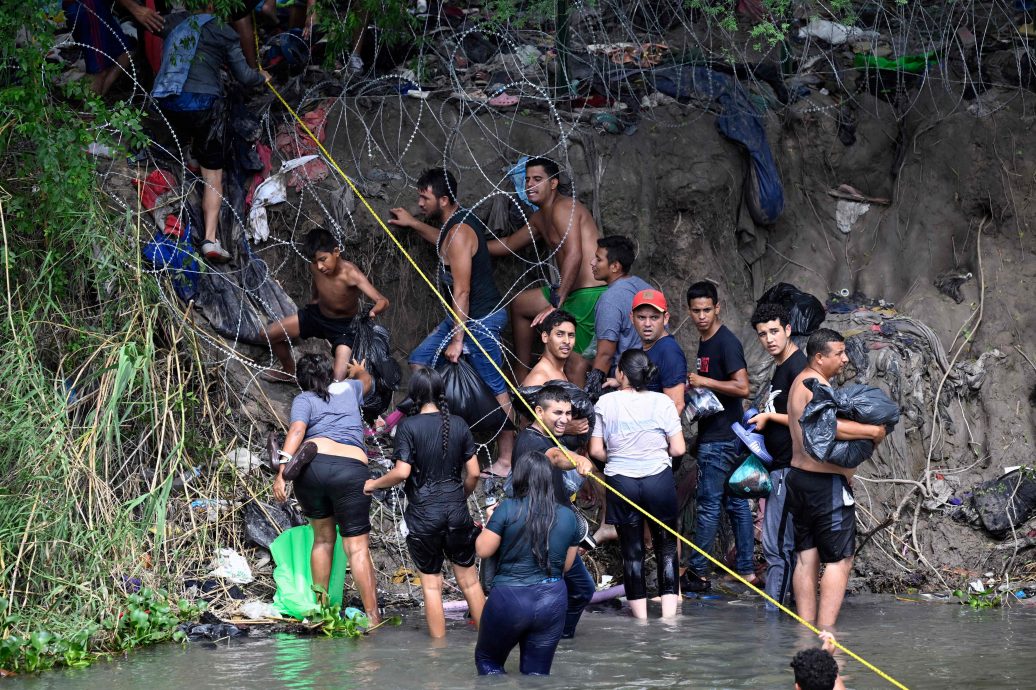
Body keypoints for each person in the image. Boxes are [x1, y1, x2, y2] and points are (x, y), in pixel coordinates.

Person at [390, 168, 515, 478]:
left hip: (480, 320)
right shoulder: (452, 227)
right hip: (462, 316)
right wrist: (414, 223)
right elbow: (442, 241)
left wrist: (458, 340)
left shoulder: (459, 233)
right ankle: (438, 426)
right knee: (420, 360)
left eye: (425, 198)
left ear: (443, 200)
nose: (420, 202)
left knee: (497, 388)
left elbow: (462, 290)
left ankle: (508, 459)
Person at [361, 367, 485, 638]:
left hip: (423, 515)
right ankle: (490, 644)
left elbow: (402, 473)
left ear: (413, 395)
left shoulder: (408, 426)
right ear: (442, 393)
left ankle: (437, 655)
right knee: (471, 582)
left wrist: (372, 483)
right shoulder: (459, 424)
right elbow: (474, 473)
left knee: (431, 586)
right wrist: (460, 497)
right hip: (456, 512)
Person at [152, 5, 270, 263]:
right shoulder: (222, 30)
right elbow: (244, 76)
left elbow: (154, 26)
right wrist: (262, 77)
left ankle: (192, 156)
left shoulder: (173, 22)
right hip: (203, 103)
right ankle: (210, 239)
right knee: (213, 174)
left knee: (189, 127)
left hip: (165, 100)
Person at [786, 328, 886, 629]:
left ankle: (806, 630)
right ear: (819, 357)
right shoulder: (815, 383)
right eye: (838, 353)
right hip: (823, 484)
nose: (844, 359)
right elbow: (828, 427)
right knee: (840, 560)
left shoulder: (799, 382)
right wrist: (872, 431)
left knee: (806, 556)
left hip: (799, 480)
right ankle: (827, 632)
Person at [272, 352, 380, 625]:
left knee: (322, 540)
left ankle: (322, 612)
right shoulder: (348, 388)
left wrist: (281, 473)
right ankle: (373, 616)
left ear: (301, 380)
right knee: (356, 548)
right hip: (350, 469)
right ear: (330, 373)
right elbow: (368, 381)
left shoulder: (303, 399)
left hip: (313, 469)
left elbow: (297, 431)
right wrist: (356, 370)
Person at [486, 157, 606, 379]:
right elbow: (510, 244)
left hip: (589, 294)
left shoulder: (564, 207)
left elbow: (574, 254)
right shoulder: (540, 216)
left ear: (553, 183)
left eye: (537, 179)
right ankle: (522, 372)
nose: (530, 185)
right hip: (568, 292)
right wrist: (471, 244)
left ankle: (576, 410)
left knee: (573, 363)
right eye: (527, 179)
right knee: (521, 304)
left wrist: (557, 301)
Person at [589, 349, 684, 619]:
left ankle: (640, 623)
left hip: (622, 482)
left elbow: (596, 451)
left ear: (621, 373)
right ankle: (669, 620)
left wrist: (620, 459)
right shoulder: (663, 402)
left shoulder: (605, 403)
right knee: (666, 548)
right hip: (659, 482)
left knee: (632, 553)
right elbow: (678, 449)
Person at [474, 451, 582, 675]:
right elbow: (567, 566)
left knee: (489, 662)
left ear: (518, 478)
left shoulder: (507, 508)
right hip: (552, 601)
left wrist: (491, 520)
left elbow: (483, 550)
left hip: (510, 599)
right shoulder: (569, 517)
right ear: (549, 479)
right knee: (537, 675)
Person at [682, 281, 754, 592]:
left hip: (722, 438)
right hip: (722, 434)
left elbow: (743, 387)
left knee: (710, 505)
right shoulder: (705, 340)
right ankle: (747, 570)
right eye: (696, 311)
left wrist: (705, 382)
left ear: (718, 308)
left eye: (706, 310)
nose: (701, 316)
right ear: (689, 311)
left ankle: (697, 572)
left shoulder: (726, 342)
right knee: (736, 504)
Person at [510, 386, 596, 638]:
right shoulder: (530, 441)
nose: (565, 419)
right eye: (557, 412)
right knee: (576, 589)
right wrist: (578, 460)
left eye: (568, 413)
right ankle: (550, 639)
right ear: (539, 411)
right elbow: (555, 457)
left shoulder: (545, 436)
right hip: (541, 531)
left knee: (577, 590)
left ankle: (556, 639)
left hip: (556, 526)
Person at [260, 228, 390, 382]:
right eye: (315, 262)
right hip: (317, 316)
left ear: (336, 252)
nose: (320, 266)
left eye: (323, 259)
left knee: (337, 379)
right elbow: (317, 286)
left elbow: (383, 300)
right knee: (267, 334)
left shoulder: (351, 274)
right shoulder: (315, 267)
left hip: (344, 328)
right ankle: (289, 373)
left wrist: (373, 312)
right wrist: (313, 303)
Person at [747, 302, 807, 610]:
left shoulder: (798, 367)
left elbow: (809, 417)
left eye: (774, 331)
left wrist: (769, 420)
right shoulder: (782, 367)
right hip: (780, 467)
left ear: (787, 330)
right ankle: (791, 614)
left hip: (790, 469)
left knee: (776, 547)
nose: (769, 339)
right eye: (762, 334)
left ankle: (774, 617)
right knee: (787, 546)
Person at [584, 235, 651, 394]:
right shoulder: (645, 287)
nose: (592, 263)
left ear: (615, 266)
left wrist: (592, 395)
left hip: (622, 383)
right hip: (648, 377)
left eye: (598, 259)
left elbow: (605, 355)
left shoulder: (610, 299)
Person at [64, 0, 159, 96]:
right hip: (87, 6)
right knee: (99, 70)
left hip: (99, 6)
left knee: (125, 51)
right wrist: (136, 9)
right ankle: (90, 106)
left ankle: (96, 101)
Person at [630, 289, 687, 415]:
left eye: (654, 317)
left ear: (665, 318)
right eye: (641, 317)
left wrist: (656, 435)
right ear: (632, 318)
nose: (647, 324)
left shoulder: (668, 351)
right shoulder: (647, 348)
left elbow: (676, 406)